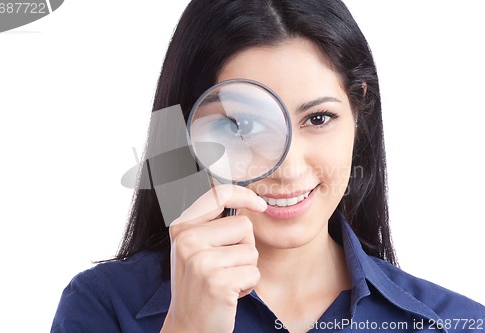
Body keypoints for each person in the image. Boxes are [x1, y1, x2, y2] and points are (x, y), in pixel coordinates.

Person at [51, 0, 485, 332]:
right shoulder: (103, 307)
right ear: (185, 132)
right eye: (242, 124)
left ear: (360, 114)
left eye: (318, 119)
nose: (289, 168)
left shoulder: (458, 323)